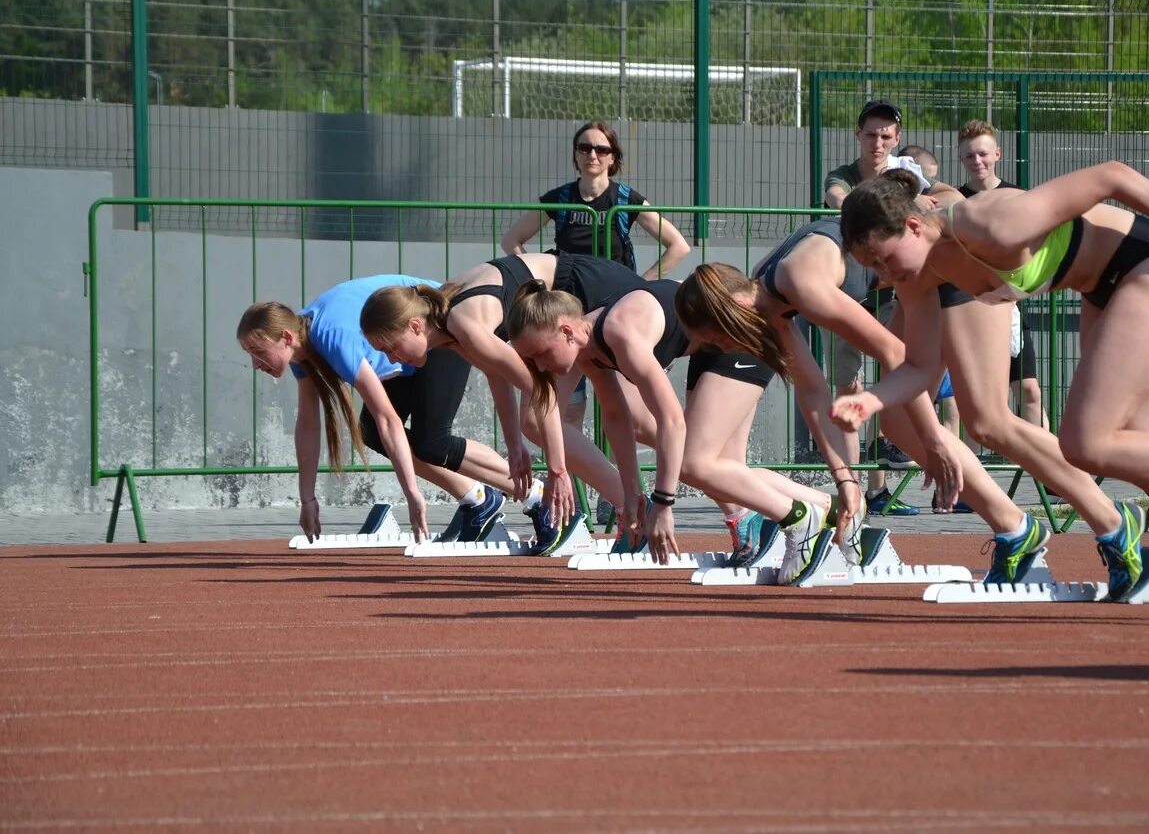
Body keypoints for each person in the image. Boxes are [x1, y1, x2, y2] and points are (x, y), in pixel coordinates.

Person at [833, 161, 1149, 604]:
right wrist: (869, 401)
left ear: (913, 225)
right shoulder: (919, 275)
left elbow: (1112, 176)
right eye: (872, 267)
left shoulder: (990, 223)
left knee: (1087, 443)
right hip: (1106, 291)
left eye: (885, 259)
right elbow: (918, 369)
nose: (884, 275)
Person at [674, 218, 1061, 587]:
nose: (724, 349)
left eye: (721, 339)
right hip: (922, 279)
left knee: (987, 422)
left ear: (737, 307)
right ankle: (1018, 532)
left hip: (957, 263)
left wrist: (933, 438)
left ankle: (1075, 525)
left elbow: (894, 355)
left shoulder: (800, 283)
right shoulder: (771, 297)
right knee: (897, 424)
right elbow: (813, 392)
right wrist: (845, 481)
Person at [508, 278, 854, 582]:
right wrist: (632, 495)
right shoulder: (590, 346)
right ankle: (832, 506)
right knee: (721, 468)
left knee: (692, 463)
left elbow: (671, 420)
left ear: (566, 330)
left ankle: (799, 519)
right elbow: (616, 416)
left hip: (740, 336)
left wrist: (663, 505)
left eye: (539, 354)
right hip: (712, 346)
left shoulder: (619, 333)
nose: (540, 367)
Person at [360, 252, 648, 552]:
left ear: (416, 327)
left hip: (586, 292)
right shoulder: (450, 326)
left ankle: (639, 507)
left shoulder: (462, 324)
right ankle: (635, 506)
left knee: (639, 423)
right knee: (542, 423)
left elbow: (542, 391)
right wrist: (514, 446)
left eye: (390, 347)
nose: (391, 359)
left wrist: (557, 470)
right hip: (564, 300)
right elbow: (496, 373)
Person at [237, 275, 538, 547]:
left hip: (433, 333)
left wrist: (412, 495)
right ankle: (479, 498)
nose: (255, 364)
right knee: (372, 432)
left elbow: (388, 419)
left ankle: (539, 495)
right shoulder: (305, 348)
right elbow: (308, 425)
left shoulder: (331, 338)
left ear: (286, 337)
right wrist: (307, 499)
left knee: (432, 441)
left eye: (259, 352)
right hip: (403, 355)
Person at [500, 120, 692, 431]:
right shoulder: (559, 198)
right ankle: (573, 475)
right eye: (584, 147)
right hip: (568, 316)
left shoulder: (626, 199)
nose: (593, 155)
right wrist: (538, 288)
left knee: (627, 413)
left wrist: (644, 285)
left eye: (602, 149)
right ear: (575, 154)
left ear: (613, 157)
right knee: (569, 408)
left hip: (615, 314)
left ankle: (623, 475)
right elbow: (511, 241)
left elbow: (678, 246)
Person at [824, 101, 951, 515]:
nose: (877, 142)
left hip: (895, 297)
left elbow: (946, 195)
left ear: (896, 139)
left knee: (891, 387)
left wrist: (928, 200)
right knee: (850, 388)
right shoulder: (843, 175)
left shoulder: (908, 175)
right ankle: (854, 489)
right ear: (857, 135)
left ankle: (880, 487)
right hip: (850, 296)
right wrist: (894, 207)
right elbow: (838, 198)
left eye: (885, 136)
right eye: (870, 134)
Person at [957, 119, 1051, 440]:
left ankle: (1049, 476)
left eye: (982, 154)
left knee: (1029, 390)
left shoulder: (1017, 197)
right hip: (970, 311)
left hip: (1010, 306)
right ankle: (968, 485)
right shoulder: (953, 200)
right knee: (975, 402)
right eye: (969, 156)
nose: (977, 162)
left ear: (997, 153)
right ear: (961, 160)